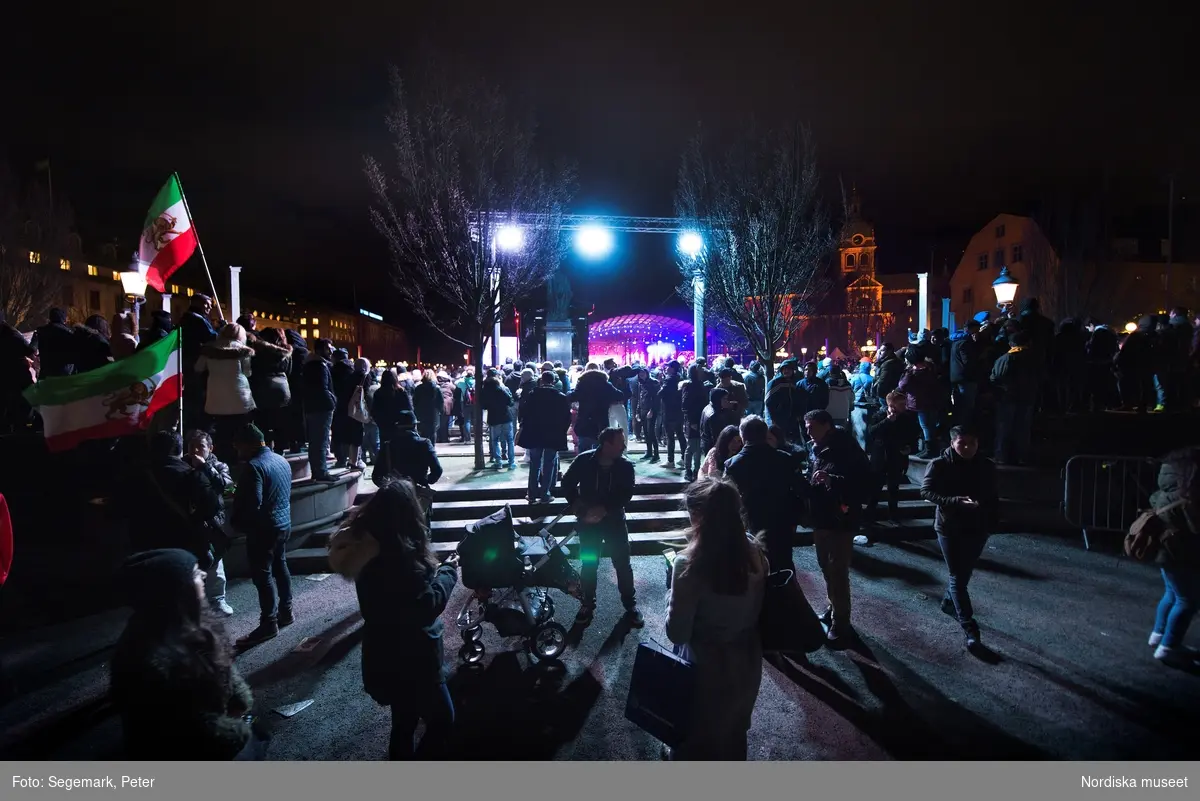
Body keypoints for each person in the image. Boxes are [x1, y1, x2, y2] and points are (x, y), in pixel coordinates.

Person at [110, 549, 262, 759]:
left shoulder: (191, 618)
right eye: (194, 573)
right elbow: (189, 728)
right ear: (175, 590)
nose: (203, 575)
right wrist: (237, 731)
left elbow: (221, 662)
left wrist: (238, 700)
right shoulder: (145, 659)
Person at [345, 480, 459, 759]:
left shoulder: (368, 549)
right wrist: (448, 572)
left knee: (404, 722)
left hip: (382, 649)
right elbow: (426, 605)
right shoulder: (401, 558)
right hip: (414, 654)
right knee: (443, 718)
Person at [664, 478, 766, 761]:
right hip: (746, 659)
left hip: (702, 665)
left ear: (697, 516)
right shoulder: (754, 551)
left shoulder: (689, 564)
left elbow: (677, 632)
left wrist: (668, 597)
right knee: (733, 736)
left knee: (694, 740)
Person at [920, 426, 999, 651]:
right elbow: (926, 492)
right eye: (962, 443)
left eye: (972, 443)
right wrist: (954, 501)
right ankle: (970, 627)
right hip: (949, 527)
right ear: (952, 443)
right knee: (957, 576)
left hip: (978, 526)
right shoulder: (939, 464)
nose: (967, 448)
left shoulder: (986, 466)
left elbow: (993, 496)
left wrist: (992, 522)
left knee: (963, 575)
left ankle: (948, 602)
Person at [561, 427, 642, 627]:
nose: (624, 446)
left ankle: (630, 605)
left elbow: (626, 494)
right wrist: (580, 508)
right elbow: (567, 483)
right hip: (588, 524)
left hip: (614, 522)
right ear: (607, 444)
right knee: (589, 563)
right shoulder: (584, 460)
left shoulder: (625, 466)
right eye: (620, 442)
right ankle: (587, 604)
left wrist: (604, 509)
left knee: (622, 563)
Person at [805, 409, 869, 644]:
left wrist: (833, 481)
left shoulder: (846, 449)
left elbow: (864, 484)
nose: (807, 431)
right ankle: (834, 607)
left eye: (811, 426)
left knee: (837, 570)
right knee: (825, 565)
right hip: (821, 516)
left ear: (827, 425)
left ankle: (841, 623)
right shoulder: (817, 447)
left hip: (841, 518)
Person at [230, 424, 294, 647]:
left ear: (248, 445)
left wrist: (240, 521)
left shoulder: (254, 467)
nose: (237, 451)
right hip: (283, 524)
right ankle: (286, 611)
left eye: (239, 446)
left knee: (263, 574)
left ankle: (269, 622)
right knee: (281, 565)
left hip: (263, 529)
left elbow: (252, 503)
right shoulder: (280, 460)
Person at [725, 416, 802, 574]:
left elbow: (728, 498)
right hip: (781, 520)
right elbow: (800, 489)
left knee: (754, 566)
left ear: (742, 435)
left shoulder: (733, 464)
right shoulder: (784, 459)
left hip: (751, 522)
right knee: (783, 564)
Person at [1146, 446, 1200, 669]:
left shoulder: (1165, 489)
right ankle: (1169, 646)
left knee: (1172, 594)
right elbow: (1196, 527)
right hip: (1181, 553)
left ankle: (1159, 636)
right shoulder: (1187, 496)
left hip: (1165, 552)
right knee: (1188, 601)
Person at [185, 430, 234, 616]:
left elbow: (227, 486)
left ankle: (218, 600)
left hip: (213, 522)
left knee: (215, 562)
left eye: (201, 446)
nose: (196, 450)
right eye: (192, 446)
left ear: (210, 448)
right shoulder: (182, 465)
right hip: (190, 521)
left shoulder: (219, 465)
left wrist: (206, 467)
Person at [195, 324, 256, 463]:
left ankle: (223, 458)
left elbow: (198, 368)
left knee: (222, 431)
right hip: (240, 396)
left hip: (216, 397)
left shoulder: (209, 350)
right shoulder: (243, 351)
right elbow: (247, 373)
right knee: (239, 430)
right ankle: (239, 458)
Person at [863, 391, 921, 536]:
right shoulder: (879, 415)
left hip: (897, 457)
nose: (904, 406)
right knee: (875, 488)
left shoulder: (907, 418)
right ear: (892, 405)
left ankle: (893, 515)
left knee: (893, 488)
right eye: (901, 404)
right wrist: (888, 421)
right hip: (880, 457)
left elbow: (913, 435)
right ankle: (869, 515)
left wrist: (909, 448)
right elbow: (871, 432)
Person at [517, 371, 572, 504]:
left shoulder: (532, 395)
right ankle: (545, 494)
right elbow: (567, 418)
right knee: (549, 464)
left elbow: (523, 412)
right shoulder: (560, 396)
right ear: (553, 382)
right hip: (553, 435)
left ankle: (531, 494)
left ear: (541, 381)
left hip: (534, 433)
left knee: (534, 464)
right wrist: (562, 430)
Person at [990, 330, 1041, 466]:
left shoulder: (1005, 358)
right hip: (1027, 397)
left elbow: (995, 378)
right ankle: (1022, 456)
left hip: (1007, 398)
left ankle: (1002, 456)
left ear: (1010, 343)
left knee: (1004, 427)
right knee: (1023, 428)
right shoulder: (1034, 358)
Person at [248, 327, 293, 452]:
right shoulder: (286, 352)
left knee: (263, 423)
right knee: (280, 423)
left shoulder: (259, 351)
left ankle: (266, 450)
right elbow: (289, 371)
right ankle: (280, 452)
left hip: (264, 388)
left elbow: (253, 370)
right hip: (283, 390)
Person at [179, 294, 219, 432]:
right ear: (197, 303)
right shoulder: (197, 319)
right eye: (206, 304)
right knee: (198, 398)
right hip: (196, 363)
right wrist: (221, 329)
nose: (209, 307)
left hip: (189, 363)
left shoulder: (186, 318)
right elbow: (212, 337)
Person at [568, 363, 625, 454]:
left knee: (583, 452)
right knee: (599, 452)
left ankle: (585, 468)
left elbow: (572, 397)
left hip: (584, 421)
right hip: (600, 423)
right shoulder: (605, 384)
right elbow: (620, 395)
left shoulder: (582, 383)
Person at [302, 338, 338, 482]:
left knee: (315, 441)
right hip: (321, 408)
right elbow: (323, 389)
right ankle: (321, 472)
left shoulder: (310, 364)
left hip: (313, 407)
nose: (331, 351)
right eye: (328, 348)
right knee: (320, 440)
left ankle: (317, 471)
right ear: (320, 350)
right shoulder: (319, 365)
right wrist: (332, 402)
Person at [898, 349, 941, 458]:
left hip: (920, 402)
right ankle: (931, 448)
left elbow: (902, 385)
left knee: (925, 426)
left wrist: (908, 372)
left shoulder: (914, 372)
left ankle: (929, 450)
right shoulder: (931, 367)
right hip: (932, 400)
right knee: (930, 425)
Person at [333, 356, 369, 470]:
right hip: (358, 409)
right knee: (357, 435)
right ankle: (354, 461)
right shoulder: (365, 377)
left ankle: (349, 459)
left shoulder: (350, 376)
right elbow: (366, 395)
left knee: (350, 434)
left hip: (348, 409)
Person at [680, 363, 715, 482]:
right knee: (691, 446)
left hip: (701, 419)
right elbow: (685, 405)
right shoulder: (689, 385)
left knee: (699, 447)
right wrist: (691, 421)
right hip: (693, 420)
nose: (702, 371)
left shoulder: (703, 384)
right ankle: (688, 470)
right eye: (699, 370)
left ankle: (696, 469)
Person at [480, 368, 517, 470]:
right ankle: (511, 462)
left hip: (493, 417)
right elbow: (510, 402)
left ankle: (498, 461)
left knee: (495, 440)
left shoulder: (484, 389)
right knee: (509, 440)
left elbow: (483, 405)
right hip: (506, 416)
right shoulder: (502, 388)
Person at [657, 361, 688, 468]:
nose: (666, 369)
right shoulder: (680, 378)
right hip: (679, 410)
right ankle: (684, 458)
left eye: (668, 367)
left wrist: (660, 383)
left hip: (669, 411)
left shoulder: (669, 380)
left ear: (673, 369)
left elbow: (661, 393)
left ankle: (670, 461)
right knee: (680, 435)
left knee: (670, 436)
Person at [32, 308, 76, 377]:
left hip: (46, 374)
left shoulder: (40, 331)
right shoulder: (69, 333)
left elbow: (32, 349)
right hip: (65, 374)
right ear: (63, 319)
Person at [700, 387, 740, 459]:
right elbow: (718, 437)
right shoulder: (714, 415)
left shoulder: (708, 407)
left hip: (706, 445)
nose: (727, 401)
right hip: (714, 448)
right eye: (725, 399)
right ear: (718, 399)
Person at [636, 367, 662, 462]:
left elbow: (656, 398)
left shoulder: (654, 382)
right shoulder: (640, 384)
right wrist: (637, 412)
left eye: (643, 373)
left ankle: (656, 454)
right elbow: (640, 398)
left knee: (651, 432)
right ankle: (649, 452)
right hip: (643, 409)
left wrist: (652, 410)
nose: (641, 374)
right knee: (646, 433)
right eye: (640, 373)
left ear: (647, 373)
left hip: (651, 410)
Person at [413, 369, 443, 445]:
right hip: (433, 414)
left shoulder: (418, 388)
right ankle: (431, 449)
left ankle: (423, 450)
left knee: (422, 433)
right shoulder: (436, 388)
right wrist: (440, 411)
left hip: (421, 413)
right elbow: (440, 402)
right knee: (432, 433)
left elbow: (414, 401)